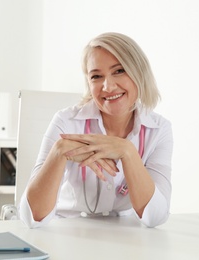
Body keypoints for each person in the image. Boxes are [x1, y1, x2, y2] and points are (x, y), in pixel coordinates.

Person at [19, 32, 173, 228]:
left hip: (127, 239)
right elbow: (32, 217)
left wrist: (127, 152)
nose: (107, 86)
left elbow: (156, 217)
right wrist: (58, 152)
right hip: (68, 233)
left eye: (119, 71)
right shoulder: (66, 122)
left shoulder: (159, 130)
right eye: (96, 76)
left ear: (139, 72)